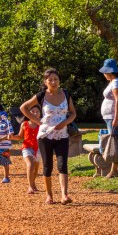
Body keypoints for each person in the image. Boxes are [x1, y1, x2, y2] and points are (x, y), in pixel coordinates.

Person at [20, 68, 76, 205]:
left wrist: (65, 123)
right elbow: (24, 108)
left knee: (63, 164)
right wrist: (38, 121)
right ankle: (49, 195)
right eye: (50, 79)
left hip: (62, 135)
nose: (53, 82)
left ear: (59, 80)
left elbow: (73, 113)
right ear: (45, 82)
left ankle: (64, 195)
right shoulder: (42, 95)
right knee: (48, 165)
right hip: (45, 135)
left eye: (56, 79)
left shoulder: (66, 94)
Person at [99, 58, 118, 178]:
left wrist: (116, 119)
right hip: (110, 117)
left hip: (115, 118)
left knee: (114, 143)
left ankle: (113, 171)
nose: (104, 75)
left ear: (109, 72)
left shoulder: (116, 83)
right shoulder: (113, 82)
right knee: (115, 142)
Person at [12, 105, 42, 194]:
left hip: (38, 148)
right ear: (28, 113)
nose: (35, 113)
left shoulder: (42, 124)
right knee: (30, 164)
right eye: (33, 111)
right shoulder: (24, 124)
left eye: (37, 111)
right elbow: (20, 137)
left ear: (40, 114)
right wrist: (12, 137)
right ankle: (30, 187)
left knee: (36, 169)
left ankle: (33, 183)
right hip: (27, 148)